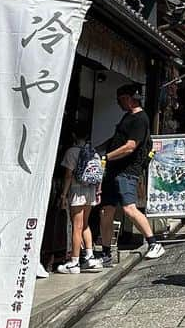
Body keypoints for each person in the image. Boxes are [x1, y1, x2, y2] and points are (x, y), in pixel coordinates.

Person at [98, 89, 164, 265]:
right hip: (113, 171)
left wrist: (106, 157)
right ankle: (106, 253)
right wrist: (97, 149)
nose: (117, 103)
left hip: (127, 170)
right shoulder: (127, 117)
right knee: (106, 211)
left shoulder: (140, 119)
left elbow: (130, 146)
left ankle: (154, 244)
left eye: (119, 99)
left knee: (129, 208)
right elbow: (117, 140)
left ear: (128, 99)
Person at [55, 126, 102, 274]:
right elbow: (99, 174)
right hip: (90, 190)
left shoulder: (71, 152)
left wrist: (63, 195)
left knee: (76, 226)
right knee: (85, 224)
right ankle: (90, 257)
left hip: (77, 190)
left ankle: (74, 262)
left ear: (74, 135)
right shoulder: (94, 153)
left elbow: (68, 175)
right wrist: (98, 191)